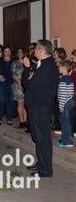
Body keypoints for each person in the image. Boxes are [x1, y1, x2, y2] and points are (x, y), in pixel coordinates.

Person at [22, 40, 59, 177]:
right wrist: (29, 75)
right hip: (35, 105)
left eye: (36, 49)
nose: (33, 51)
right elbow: (28, 83)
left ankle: (46, 170)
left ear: (42, 50)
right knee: (38, 137)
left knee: (42, 138)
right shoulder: (41, 65)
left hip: (41, 106)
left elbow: (29, 84)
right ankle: (41, 163)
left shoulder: (48, 66)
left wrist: (26, 69)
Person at [0, 46, 14, 125]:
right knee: (1, 100)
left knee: (9, 101)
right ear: (3, 52)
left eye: (9, 51)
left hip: (11, 83)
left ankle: (9, 119)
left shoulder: (14, 61)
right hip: (0, 82)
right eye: (5, 51)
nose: (7, 52)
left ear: (11, 52)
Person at [57, 60, 74, 148]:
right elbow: (70, 93)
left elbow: (63, 94)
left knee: (64, 122)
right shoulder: (68, 78)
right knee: (66, 121)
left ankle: (67, 141)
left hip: (65, 103)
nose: (58, 68)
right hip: (69, 102)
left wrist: (61, 106)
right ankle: (66, 138)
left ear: (63, 68)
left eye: (59, 67)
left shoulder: (63, 80)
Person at [12, 48, 28, 129]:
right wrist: (19, 83)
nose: (19, 53)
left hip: (26, 85)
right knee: (20, 103)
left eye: (21, 52)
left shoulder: (27, 61)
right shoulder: (15, 62)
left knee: (25, 104)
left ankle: (25, 121)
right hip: (17, 85)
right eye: (18, 52)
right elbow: (13, 73)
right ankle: (22, 121)